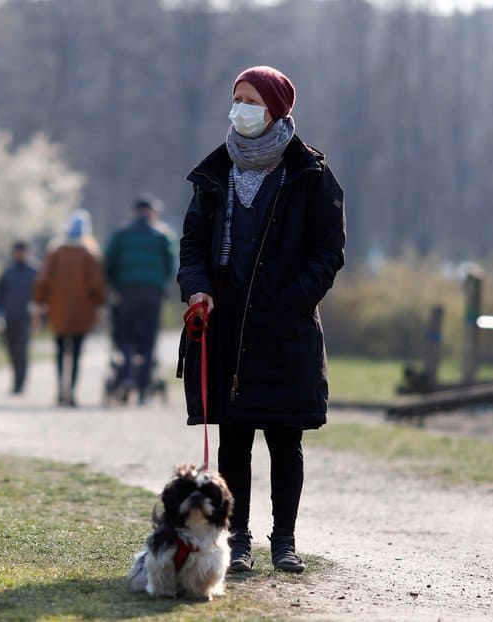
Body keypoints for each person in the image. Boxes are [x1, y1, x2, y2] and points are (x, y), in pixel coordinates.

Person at [176, 66, 346, 574]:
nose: (239, 108)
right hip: (227, 327)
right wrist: (197, 288)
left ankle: (285, 541)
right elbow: (191, 246)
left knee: (285, 439)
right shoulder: (213, 174)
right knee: (234, 438)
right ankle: (240, 539)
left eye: (249, 99)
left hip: (285, 330)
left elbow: (328, 253)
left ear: (274, 108)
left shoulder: (311, 176)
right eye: (235, 98)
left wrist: (289, 302)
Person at [103, 194, 178, 404]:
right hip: (152, 293)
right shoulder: (162, 235)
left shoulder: (121, 234)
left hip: (126, 292)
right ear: (152, 212)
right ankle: (144, 388)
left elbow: (109, 263)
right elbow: (170, 264)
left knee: (125, 336)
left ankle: (126, 375)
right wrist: (161, 285)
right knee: (148, 340)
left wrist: (115, 286)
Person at [33, 210, 106, 407]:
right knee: (76, 352)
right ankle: (71, 392)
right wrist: (99, 304)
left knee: (59, 350)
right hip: (82, 313)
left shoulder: (55, 251)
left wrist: (40, 302)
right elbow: (96, 285)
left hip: (57, 310)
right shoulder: (90, 253)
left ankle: (59, 390)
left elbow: (43, 280)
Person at [0, 240, 38, 395]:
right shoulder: (8, 272)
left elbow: (41, 296)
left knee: (22, 350)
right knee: (12, 349)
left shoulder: (35, 271)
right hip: (9, 317)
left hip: (26, 318)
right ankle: (16, 378)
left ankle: (20, 382)